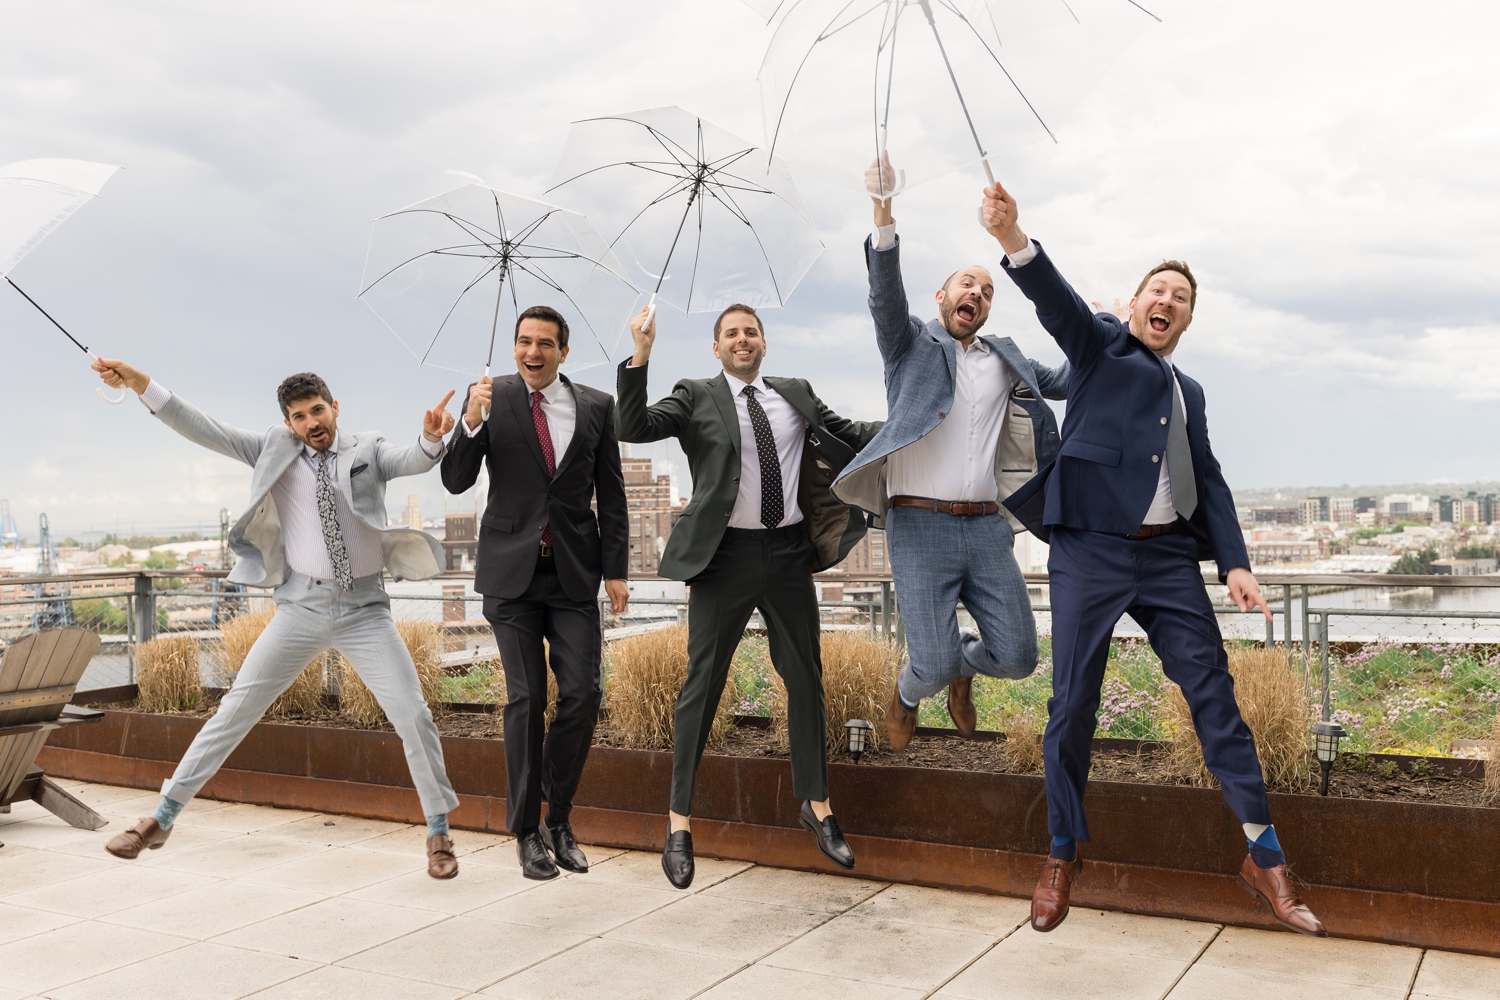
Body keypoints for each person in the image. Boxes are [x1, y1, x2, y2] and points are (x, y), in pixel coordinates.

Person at [978, 180, 1326, 937]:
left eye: (1180, 297)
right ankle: (1062, 854)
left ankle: (1264, 858)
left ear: (1187, 321)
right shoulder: (1101, 346)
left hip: (1169, 560)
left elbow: (1210, 474)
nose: (1167, 299)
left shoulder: (1189, 389)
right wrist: (1014, 238)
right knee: (1072, 704)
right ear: (1134, 305)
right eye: (1156, 289)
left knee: (1216, 700)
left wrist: (1233, 562)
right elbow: (1057, 304)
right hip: (1091, 553)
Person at [92, 360, 465, 879]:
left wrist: (429, 438)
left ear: (335, 408)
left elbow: (413, 460)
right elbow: (204, 428)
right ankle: (162, 816)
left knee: (414, 716)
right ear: (288, 423)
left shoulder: (368, 448)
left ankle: (438, 832)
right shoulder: (273, 448)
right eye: (299, 416)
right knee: (234, 711)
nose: (311, 423)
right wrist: (139, 384)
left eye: (317, 411)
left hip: (363, 612)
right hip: (300, 609)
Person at [616, 303, 881, 889]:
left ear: (764, 342)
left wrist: (924, 411)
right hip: (723, 557)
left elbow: (854, 434)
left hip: (787, 553)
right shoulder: (695, 395)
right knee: (702, 683)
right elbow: (631, 426)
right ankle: (679, 823)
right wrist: (641, 352)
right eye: (731, 333)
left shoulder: (794, 392)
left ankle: (816, 805)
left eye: (750, 332)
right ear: (717, 348)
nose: (742, 340)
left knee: (806, 677)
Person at [832, 155, 1068, 750]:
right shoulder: (909, 344)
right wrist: (883, 211)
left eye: (987, 291)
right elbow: (885, 296)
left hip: (989, 529)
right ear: (942, 295)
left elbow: (1070, 376)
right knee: (927, 665)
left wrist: (1115, 333)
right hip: (917, 526)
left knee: (1018, 658)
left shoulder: (1007, 356)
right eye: (968, 284)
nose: (978, 294)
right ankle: (910, 693)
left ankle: (965, 667)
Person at [442, 305, 629, 881]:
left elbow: (612, 495)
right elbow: (455, 480)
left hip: (574, 574)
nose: (532, 352)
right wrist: (470, 422)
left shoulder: (597, 405)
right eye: (524, 342)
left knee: (583, 694)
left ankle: (559, 819)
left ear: (563, 351)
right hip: (510, 577)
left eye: (545, 343)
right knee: (527, 699)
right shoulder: (490, 397)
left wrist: (617, 570)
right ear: (514, 345)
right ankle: (525, 831)